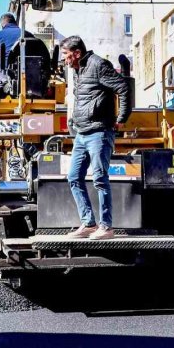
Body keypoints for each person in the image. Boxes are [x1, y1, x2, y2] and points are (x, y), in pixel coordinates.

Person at [60, 35, 131, 240]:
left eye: (66, 55)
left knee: (100, 179)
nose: (64, 59)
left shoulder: (98, 65)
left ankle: (106, 227)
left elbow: (123, 88)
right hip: (82, 134)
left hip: (100, 132)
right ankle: (89, 223)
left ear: (77, 53)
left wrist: (122, 118)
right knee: (74, 177)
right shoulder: (78, 70)